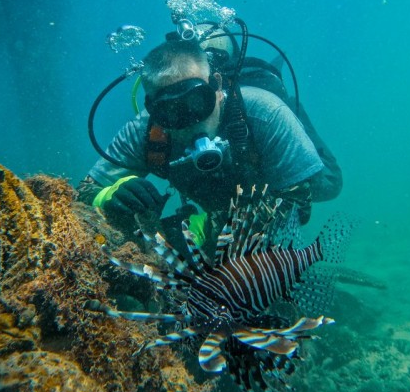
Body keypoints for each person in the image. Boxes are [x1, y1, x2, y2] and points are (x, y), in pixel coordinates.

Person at [77, 38, 342, 245]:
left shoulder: (266, 113)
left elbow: (300, 209)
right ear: (152, 108)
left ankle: (297, 117)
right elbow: (84, 194)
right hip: (217, 203)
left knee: (329, 186)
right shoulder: (144, 130)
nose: (190, 122)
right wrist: (108, 195)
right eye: (171, 112)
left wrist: (214, 226)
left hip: (271, 173)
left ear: (216, 86)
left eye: (196, 102)